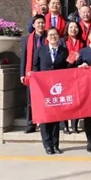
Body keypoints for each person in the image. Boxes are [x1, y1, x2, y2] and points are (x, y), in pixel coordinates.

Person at [32, 27, 69, 155]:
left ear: (59, 37)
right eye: (50, 35)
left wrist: (76, 62)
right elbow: (35, 67)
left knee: (56, 117)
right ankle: (47, 144)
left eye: (55, 34)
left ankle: (55, 144)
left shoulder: (64, 51)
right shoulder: (40, 50)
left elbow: (67, 68)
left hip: (57, 89)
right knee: (45, 117)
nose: (53, 37)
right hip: (43, 88)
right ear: (47, 38)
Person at [20, 14, 46, 134]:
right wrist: (22, 74)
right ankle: (31, 124)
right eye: (38, 23)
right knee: (31, 100)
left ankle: (45, 122)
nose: (41, 25)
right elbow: (24, 57)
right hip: (32, 73)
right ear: (34, 25)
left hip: (45, 72)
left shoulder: (49, 36)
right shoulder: (27, 39)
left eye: (42, 23)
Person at [60, 20, 84, 135]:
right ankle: (65, 126)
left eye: (75, 27)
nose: (73, 29)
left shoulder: (82, 42)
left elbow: (84, 57)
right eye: (71, 27)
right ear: (67, 29)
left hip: (78, 74)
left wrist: (78, 60)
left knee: (76, 100)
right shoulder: (62, 41)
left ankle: (75, 125)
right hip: (65, 73)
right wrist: (69, 61)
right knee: (65, 100)